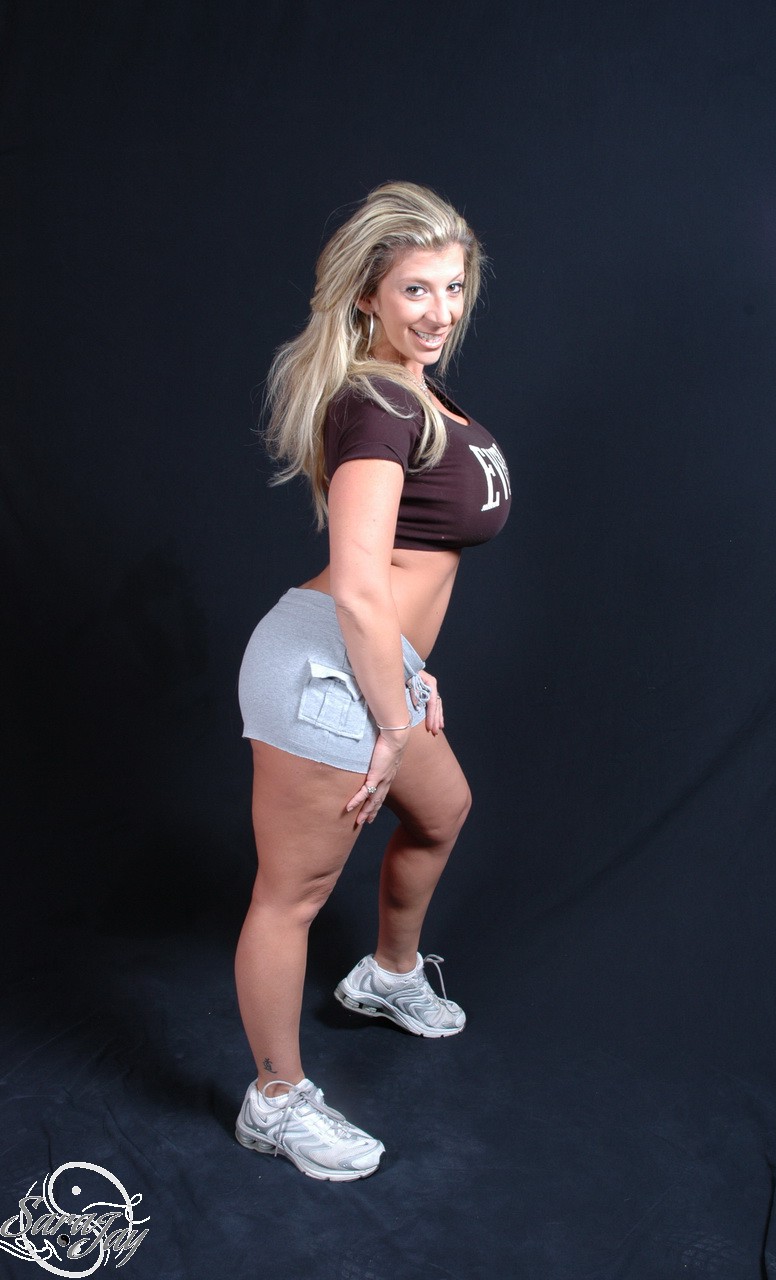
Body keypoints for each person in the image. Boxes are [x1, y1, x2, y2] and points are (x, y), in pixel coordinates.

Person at [234, 181, 511, 1181]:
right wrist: (391, 721)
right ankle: (273, 1101)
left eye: (451, 287)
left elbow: (407, 572)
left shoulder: (422, 396)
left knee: (442, 810)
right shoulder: (375, 402)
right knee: (292, 896)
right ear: (368, 297)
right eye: (413, 290)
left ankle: (387, 974)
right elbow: (357, 584)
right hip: (321, 664)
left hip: (376, 655)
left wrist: (409, 672)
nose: (438, 310)